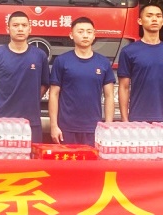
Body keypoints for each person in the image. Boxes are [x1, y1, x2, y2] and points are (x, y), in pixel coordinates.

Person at [0, 10, 53, 142]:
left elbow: (45, 83)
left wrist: (33, 99)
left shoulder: (39, 56)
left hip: (31, 120)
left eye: (24, 25)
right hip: (4, 120)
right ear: (8, 29)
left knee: (32, 154)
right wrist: (1, 101)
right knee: (6, 154)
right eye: (15, 25)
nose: (20, 29)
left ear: (30, 29)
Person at [47, 16, 117, 146]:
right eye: (80, 31)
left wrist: (108, 126)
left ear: (94, 35)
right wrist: (54, 126)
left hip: (93, 128)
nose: (85, 35)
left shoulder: (103, 62)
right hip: (66, 127)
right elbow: (54, 94)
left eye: (89, 32)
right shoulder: (62, 61)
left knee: (92, 160)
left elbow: (109, 96)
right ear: (71, 35)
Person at [117, 3, 163, 122]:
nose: (154, 19)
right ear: (140, 21)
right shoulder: (128, 51)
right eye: (149, 16)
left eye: (158, 16)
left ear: (162, 22)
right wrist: (124, 119)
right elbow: (124, 87)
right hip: (138, 118)